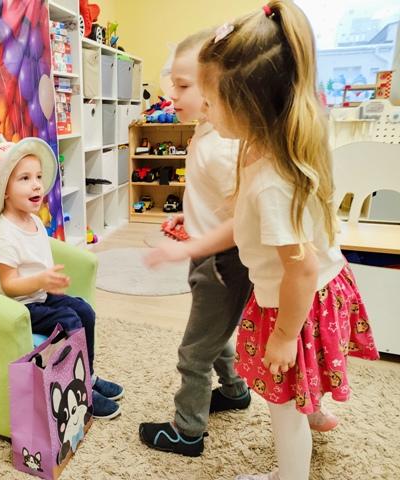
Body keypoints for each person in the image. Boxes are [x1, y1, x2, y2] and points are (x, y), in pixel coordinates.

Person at [146, 2, 379, 479]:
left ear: (248, 104)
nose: (203, 110)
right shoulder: (256, 146)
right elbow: (246, 222)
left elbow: (302, 267)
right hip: (294, 293)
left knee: (284, 409)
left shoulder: (273, 178)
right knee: (287, 399)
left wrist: (285, 335)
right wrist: (194, 237)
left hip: (299, 301)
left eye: (211, 100)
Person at [138, 30, 253, 458]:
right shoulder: (207, 131)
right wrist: (191, 216)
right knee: (213, 332)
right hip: (211, 256)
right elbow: (221, 202)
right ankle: (235, 390)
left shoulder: (222, 147)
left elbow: (245, 218)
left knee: (193, 352)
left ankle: (187, 431)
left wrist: (188, 247)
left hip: (222, 262)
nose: (171, 95)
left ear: (216, 90)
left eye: (183, 85)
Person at [0, 133, 124, 420]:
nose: (36, 184)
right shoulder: (3, 233)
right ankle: (78, 389)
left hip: (40, 296)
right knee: (69, 321)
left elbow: (37, 262)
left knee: (85, 311)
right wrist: (42, 281)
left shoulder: (33, 220)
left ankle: (87, 375)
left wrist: (48, 282)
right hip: (18, 306)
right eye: (24, 178)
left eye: (38, 177)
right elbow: (9, 285)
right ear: (4, 191)